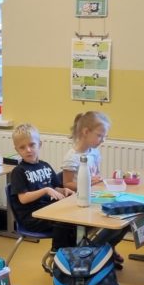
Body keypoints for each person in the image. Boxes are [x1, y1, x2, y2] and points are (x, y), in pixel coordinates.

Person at [60, 111, 127, 263]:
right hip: (79, 204)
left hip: (95, 199)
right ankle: (93, 251)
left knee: (125, 222)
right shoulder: (72, 157)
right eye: (99, 135)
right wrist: (88, 184)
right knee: (113, 223)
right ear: (85, 132)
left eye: (104, 136)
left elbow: (96, 176)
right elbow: (67, 184)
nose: (102, 140)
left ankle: (107, 248)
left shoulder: (94, 153)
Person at [9, 123, 77, 255]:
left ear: (39, 145)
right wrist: (45, 190)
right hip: (32, 217)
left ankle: (73, 253)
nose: (28, 150)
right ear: (17, 150)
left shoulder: (45, 165)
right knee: (65, 221)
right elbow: (23, 199)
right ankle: (58, 253)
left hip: (48, 210)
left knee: (74, 217)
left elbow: (56, 187)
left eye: (31, 145)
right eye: (22, 147)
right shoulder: (18, 171)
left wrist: (64, 191)